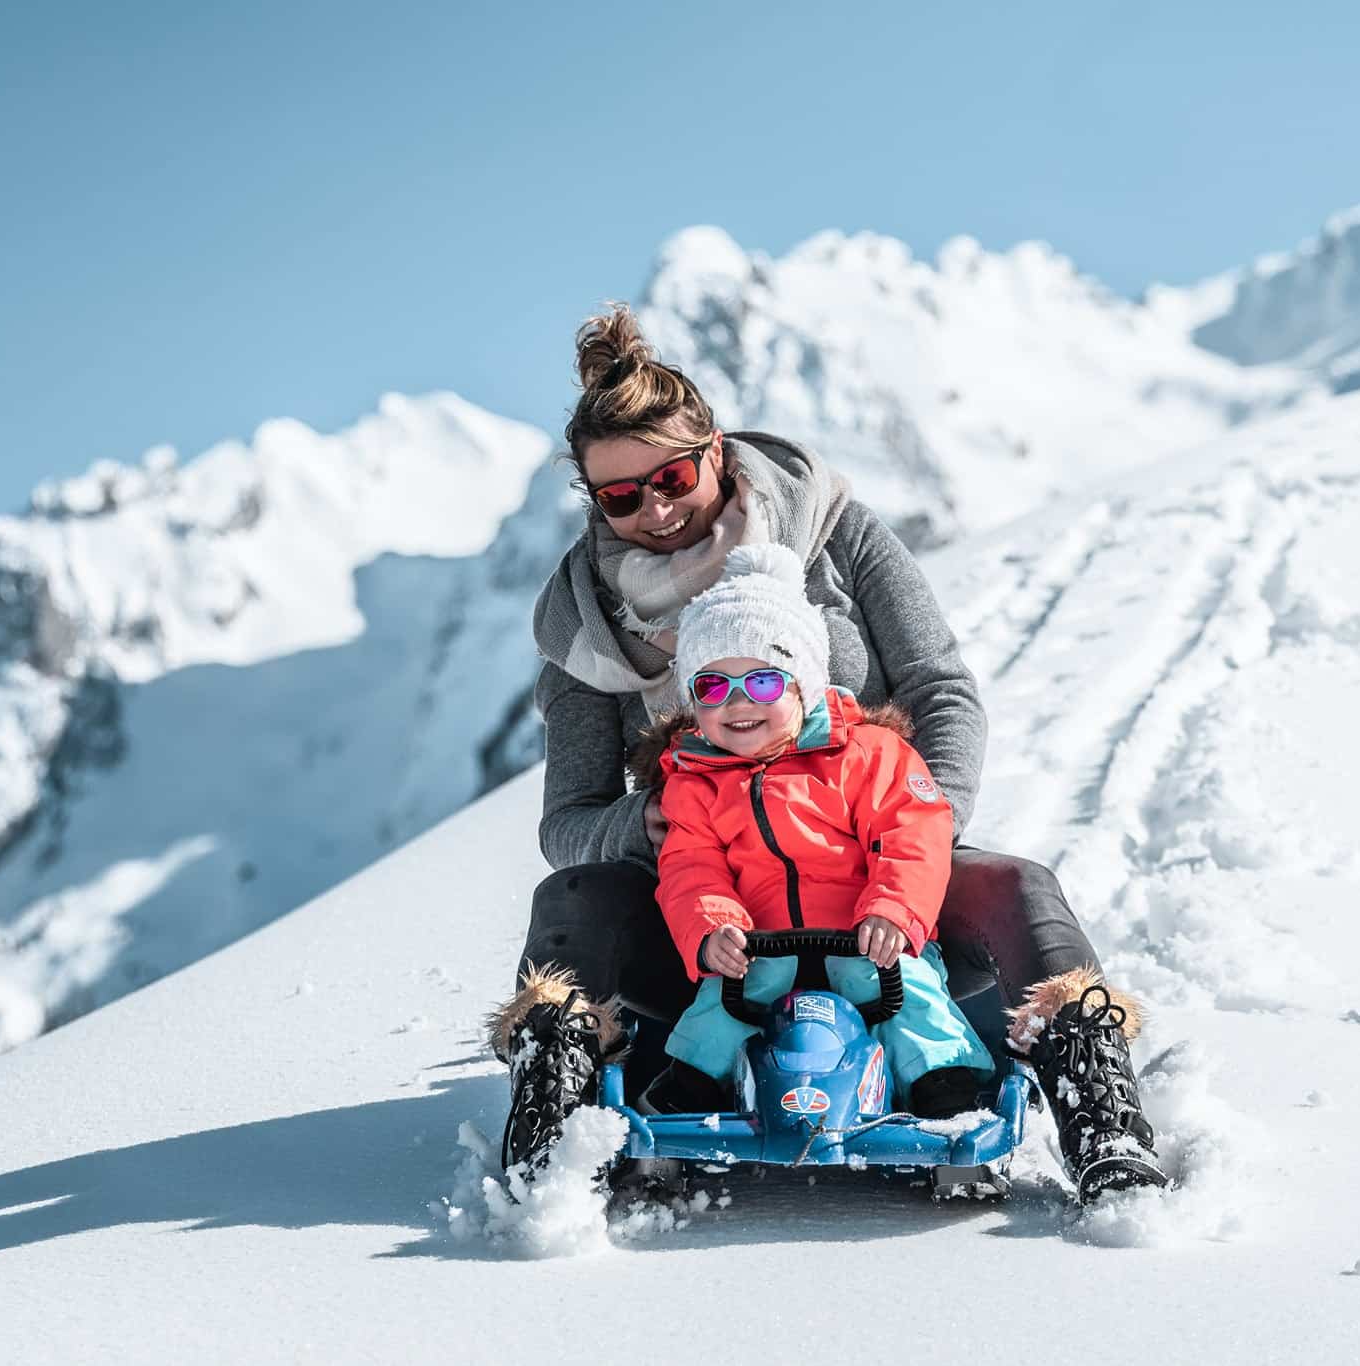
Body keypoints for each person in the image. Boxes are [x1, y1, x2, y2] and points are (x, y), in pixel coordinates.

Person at [487, 303, 1166, 1203]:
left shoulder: (830, 528)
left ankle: (1101, 1118)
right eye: (620, 495)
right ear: (592, 497)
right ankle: (558, 1134)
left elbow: (939, 686)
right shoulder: (583, 629)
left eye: (673, 476)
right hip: (712, 917)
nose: (654, 508)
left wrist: (910, 825)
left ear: (717, 453)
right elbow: (568, 825)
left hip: (886, 890)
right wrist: (651, 825)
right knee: (573, 897)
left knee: (1018, 886)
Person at [636, 544, 995, 1119]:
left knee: (907, 994)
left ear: (803, 684)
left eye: (762, 684)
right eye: (712, 688)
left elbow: (911, 835)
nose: (737, 705)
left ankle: (945, 1084)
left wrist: (894, 913)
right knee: (723, 1006)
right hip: (761, 943)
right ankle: (692, 1088)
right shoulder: (694, 779)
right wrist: (713, 929)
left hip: (862, 935)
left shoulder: (869, 755)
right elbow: (690, 867)